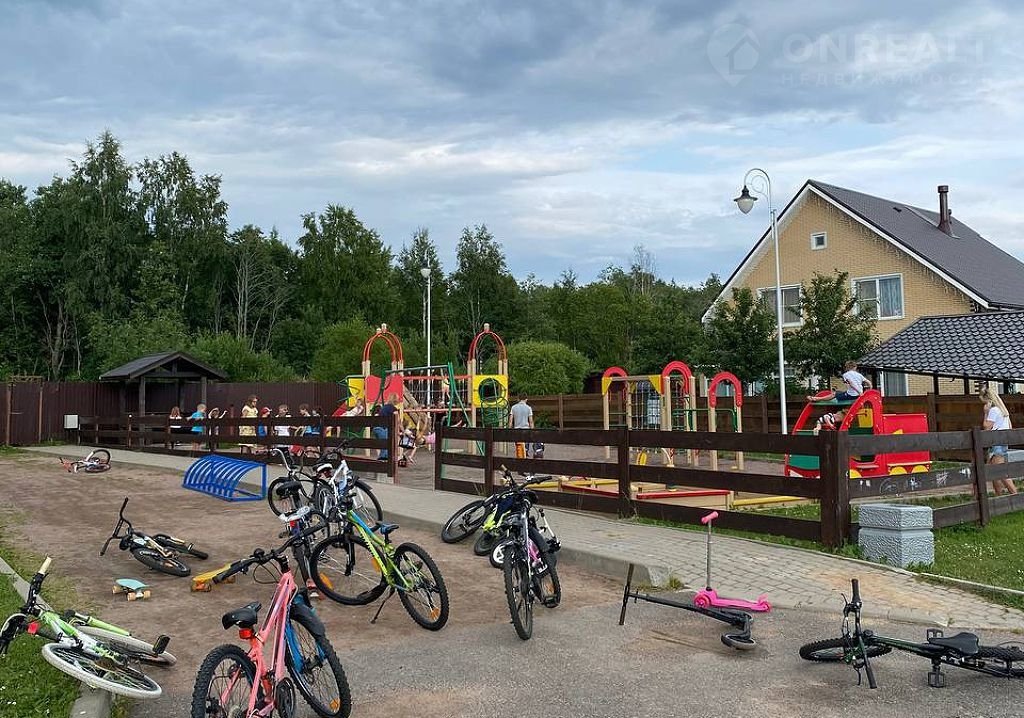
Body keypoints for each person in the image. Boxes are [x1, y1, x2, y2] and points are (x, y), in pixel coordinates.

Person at [981, 385, 1018, 496]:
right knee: (994, 471)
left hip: (996, 442)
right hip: (1002, 441)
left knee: (1000, 471)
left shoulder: (993, 410)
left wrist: (985, 413)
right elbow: (1010, 427)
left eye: (984, 401)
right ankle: (999, 496)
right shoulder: (1003, 411)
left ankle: (1015, 495)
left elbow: (986, 427)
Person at [808, 361, 873, 403]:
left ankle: (817, 399)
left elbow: (851, 384)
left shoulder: (846, 375)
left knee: (834, 394)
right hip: (858, 394)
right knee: (839, 392)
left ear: (847, 367)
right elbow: (869, 383)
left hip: (852, 395)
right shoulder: (859, 374)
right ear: (855, 367)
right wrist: (867, 392)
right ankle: (819, 398)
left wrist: (859, 392)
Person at [509, 394, 535, 459]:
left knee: (519, 449)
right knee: (525, 449)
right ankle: (525, 460)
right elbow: (531, 421)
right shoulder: (528, 408)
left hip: (517, 430)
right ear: (526, 399)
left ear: (518, 399)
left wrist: (509, 430)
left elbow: (510, 420)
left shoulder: (513, 407)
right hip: (526, 430)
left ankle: (519, 460)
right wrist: (532, 431)